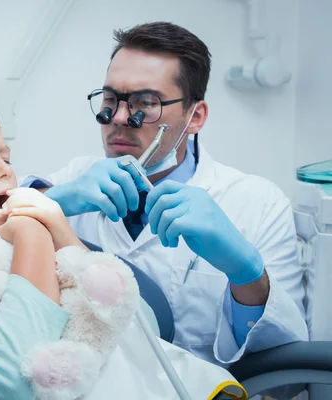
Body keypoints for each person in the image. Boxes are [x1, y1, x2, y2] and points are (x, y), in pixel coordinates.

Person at [0, 101, 248, 400]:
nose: (4, 172)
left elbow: (143, 334)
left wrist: (62, 233)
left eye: (6, 157)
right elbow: (12, 381)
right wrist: (32, 236)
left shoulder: (21, 234)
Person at [24, 21, 309, 366]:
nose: (119, 117)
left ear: (195, 116)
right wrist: (55, 201)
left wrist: (245, 272)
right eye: (111, 99)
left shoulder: (258, 204)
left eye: (146, 102)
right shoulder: (74, 178)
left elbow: (285, 374)